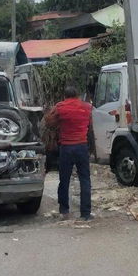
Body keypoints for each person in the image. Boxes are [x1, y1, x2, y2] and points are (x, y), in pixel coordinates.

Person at [45, 85, 94, 220]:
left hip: (66, 147)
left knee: (64, 180)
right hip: (82, 146)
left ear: (65, 96)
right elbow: (90, 125)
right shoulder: (87, 107)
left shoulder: (60, 107)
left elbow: (49, 122)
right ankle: (86, 214)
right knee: (84, 179)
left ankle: (64, 211)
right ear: (77, 95)